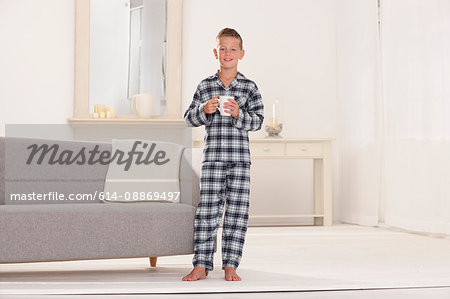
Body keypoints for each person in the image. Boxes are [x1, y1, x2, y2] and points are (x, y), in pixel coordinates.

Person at [182, 28, 264, 281]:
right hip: (213, 159)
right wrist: (204, 109)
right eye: (223, 48)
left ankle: (231, 264)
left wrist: (240, 114)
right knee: (207, 211)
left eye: (233, 49)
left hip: (239, 160)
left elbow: (258, 121)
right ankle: (201, 264)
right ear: (215, 52)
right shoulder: (206, 85)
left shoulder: (249, 87)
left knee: (237, 211)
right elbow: (188, 119)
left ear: (241, 53)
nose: (228, 53)